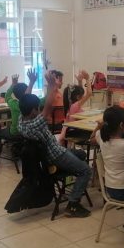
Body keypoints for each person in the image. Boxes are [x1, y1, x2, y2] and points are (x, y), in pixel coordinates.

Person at [18, 71, 92, 218]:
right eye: (37, 108)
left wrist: (31, 82)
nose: (39, 109)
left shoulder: (22, 121)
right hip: (57, 155)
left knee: (82, 154)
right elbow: (48, 107)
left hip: (53, 153)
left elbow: (25, 100)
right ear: (33, 111)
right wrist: (52, 86)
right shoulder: (35, 123)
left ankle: (74, 181)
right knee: (86, 171)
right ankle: (73, 204)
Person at [0, 69, 37, 168]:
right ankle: (16, 150)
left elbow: (6, 97)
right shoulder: (33, 103)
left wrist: (13, 84)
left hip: (15, 133)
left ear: (15, 94)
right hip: (28, 133)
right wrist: (31, 82)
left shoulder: (13, 103)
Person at [57, 70, 92, 144]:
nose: (83, 97)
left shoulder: (71, 105)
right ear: (77, 97)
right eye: (81, 95)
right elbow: (89, 93)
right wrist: (87, 79)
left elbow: (80, 92)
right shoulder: (75, 106)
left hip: (68, 131)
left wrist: (80, 82)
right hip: (73, 133)